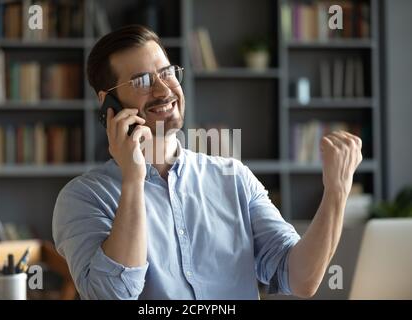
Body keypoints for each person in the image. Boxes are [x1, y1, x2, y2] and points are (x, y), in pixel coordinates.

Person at [52, 25, 363, 300]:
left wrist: (336, 192)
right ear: (108, 103)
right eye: (142, 81)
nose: (163, 90)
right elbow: (113, 295)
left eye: (167, 72)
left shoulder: (234, 178)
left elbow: (302, 279)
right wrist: (133, 179)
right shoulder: (82, 198)